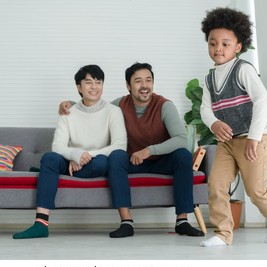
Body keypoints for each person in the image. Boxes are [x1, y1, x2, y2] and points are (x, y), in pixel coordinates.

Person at [60, 62, 205, 238]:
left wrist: (149, 150)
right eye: (138, 81)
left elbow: (181, 139)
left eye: (148, 80)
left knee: (183, 155)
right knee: (116, 156)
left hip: (161, 162)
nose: (144, 86)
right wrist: (71, 104)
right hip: (132, 162)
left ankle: (182, 221)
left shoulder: (164, 106)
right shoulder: (120, 105)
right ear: (128, 86)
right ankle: (126, 221)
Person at [199, 7, 267, 247]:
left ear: (238, 46)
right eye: (213, 43)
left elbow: (263, 99)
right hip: (227, 142)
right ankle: (222, 233)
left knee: (255, 189)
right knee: (217, 184)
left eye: (225, 44)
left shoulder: (243, 69)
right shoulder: (209, 79)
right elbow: (205, 110)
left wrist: (254, 137)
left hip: (253, 139)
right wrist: (215, 122)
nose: (218, 48)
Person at [13, 64, 127, 239]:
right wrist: (75, 155)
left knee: (101, 163)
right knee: (49, 158)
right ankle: (41, 224)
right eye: (88, 83)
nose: (94, 87)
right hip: (71, 160)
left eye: (98, 82)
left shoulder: (113, 111)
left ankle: (48, 173)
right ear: (79, 87)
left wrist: (85, 156)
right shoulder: (69, 112)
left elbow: (119, 145)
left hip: (97, 160)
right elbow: (58, 147)